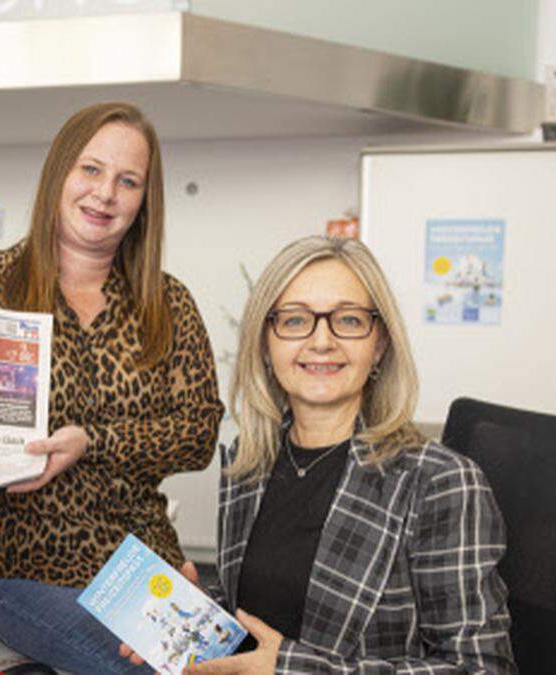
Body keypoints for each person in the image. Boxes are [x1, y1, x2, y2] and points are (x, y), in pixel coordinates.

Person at [124, 235, 515, 673]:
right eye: (294, 321)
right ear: (265, 345)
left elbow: (484, 668)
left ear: (380, 343)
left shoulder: (439, 482)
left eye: (348, 320)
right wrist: (198, 614)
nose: (322, 341)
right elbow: (273, 605)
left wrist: (291, 669)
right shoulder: (248, 462)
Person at [0, 101, 224, 673]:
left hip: (145, 567)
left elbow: (198, 433)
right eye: (90, 170)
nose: (105, 194)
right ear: (59, 174)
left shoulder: (167, 303)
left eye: (128, 181)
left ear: (144, 201)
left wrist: (92, 440)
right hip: (24, 571)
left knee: (220, 667)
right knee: (137, 670)